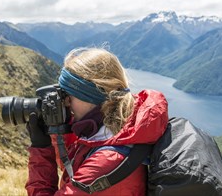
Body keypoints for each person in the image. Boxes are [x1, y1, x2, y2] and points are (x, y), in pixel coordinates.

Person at [25, 47, 169, 195]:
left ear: (91, 97)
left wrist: (41, 149)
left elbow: (81, 175)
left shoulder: (106, 162)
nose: (65, 103)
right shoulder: (121, 128)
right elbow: (73, 166)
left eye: (68, 95)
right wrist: (57, 130)